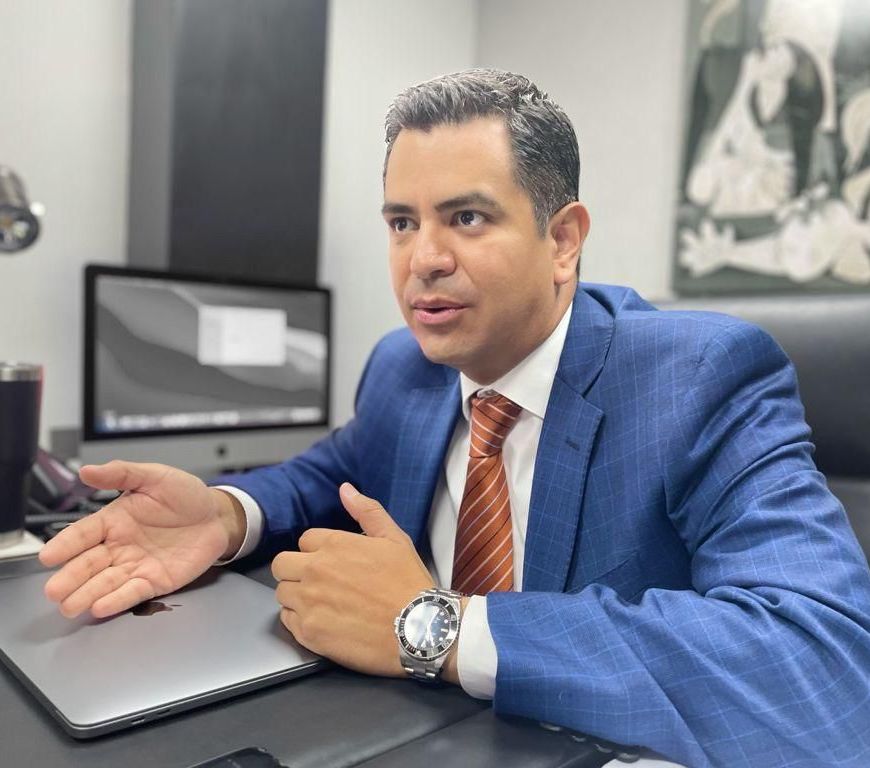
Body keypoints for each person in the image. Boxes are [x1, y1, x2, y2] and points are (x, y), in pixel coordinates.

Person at [40, 70, 870, 767]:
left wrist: (431, 627)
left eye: (466, 218)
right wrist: (227, 515)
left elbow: (824, 670)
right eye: (402, 223)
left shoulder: (698, 378)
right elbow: (331, 472)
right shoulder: (403, 367)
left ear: (563, 241)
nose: (424, 260)